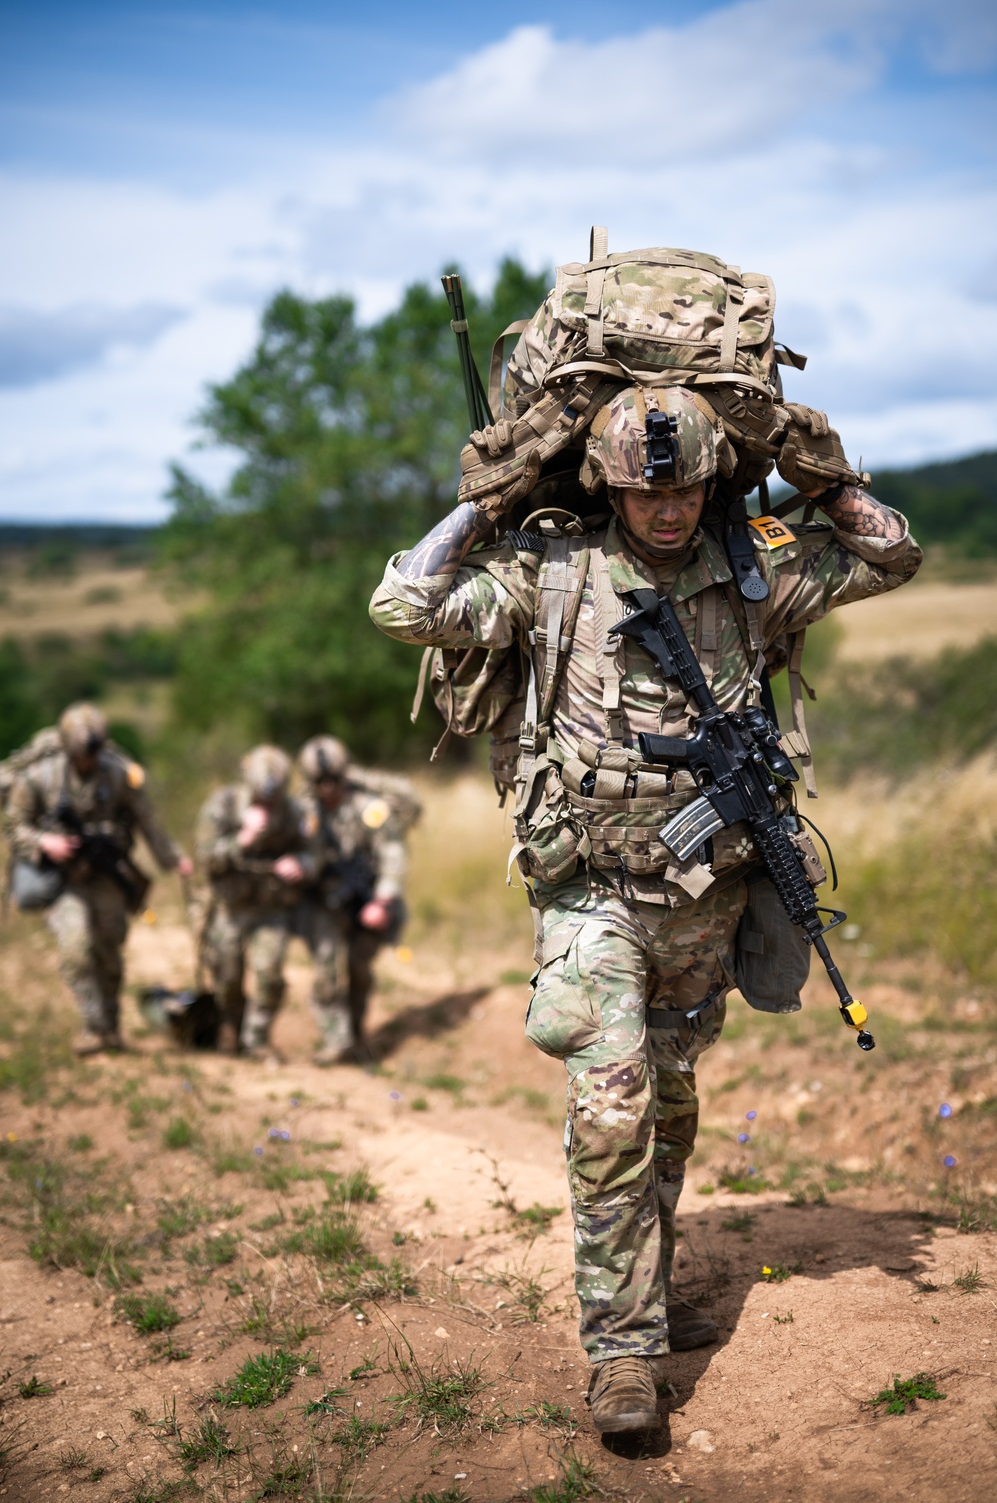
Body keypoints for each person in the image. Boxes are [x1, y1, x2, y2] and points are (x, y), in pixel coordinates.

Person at [369, 383, 922, 1433]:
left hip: (708, 889)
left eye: (683, 492)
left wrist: (824, 473)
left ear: (712, 482)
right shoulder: (553, 572)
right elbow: (402, 606)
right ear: (607, 484)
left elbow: (892, 557)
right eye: (639, 491)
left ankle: (648, 1281)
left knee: (666, 1107)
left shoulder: (752, 572)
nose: (665, 512)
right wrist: (485, 502)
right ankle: (623, 1359)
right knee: (611, 1104)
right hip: (591, 895)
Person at [3, 702, 192, 1055]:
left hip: (107, 876)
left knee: (109, 950)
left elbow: (147, 820)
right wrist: (44, 841)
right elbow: (15, 823)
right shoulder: (40, 777)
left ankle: (111, 1025)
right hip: (64, 878)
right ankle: (93, 1028)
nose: (87, 762)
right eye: (79, 755)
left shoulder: (118, 775)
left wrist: (175, 860)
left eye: (93, 754)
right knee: (75, 949)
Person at [295, 736, 417, 1065]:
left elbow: (393, 854)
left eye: (334, 779)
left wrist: (382, 901)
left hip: (367, 901)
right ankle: (337, 1041)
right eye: (320, 781)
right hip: (325, 902)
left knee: (358, 969)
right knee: (325, 971)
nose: (327, 788)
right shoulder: (305, 811)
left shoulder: (369, 809)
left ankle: (356, 1033)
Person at [195, 744, 319, 1060]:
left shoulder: (296, 813)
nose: (268, 802)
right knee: (227, 975)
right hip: (230, 908)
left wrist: (301, 864)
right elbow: (206, 858)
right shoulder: (222, 806)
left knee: (270, 973)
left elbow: (316, 853)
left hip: (270, 908)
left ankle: (257, 1037)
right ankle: (230, 1026)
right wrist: (242, 839)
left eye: (274, 796)